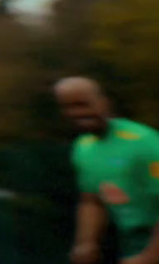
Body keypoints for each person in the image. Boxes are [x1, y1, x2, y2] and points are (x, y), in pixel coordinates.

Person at [56, 77, 159, 264]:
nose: (77, 113)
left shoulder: (144, 142)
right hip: (132, 244)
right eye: (68, 107)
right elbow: (91, 200)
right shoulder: (83, 147)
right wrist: (86, 244)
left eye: (83, 104)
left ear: (104, 103)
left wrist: (151, 256)